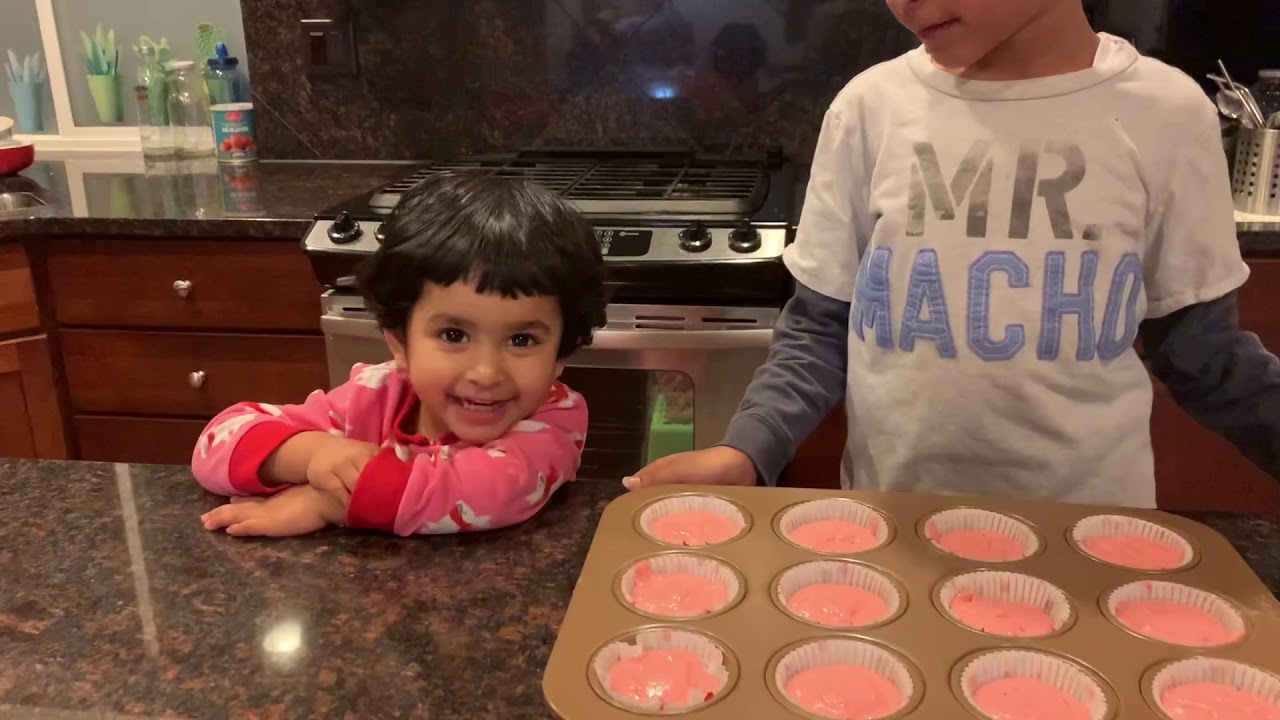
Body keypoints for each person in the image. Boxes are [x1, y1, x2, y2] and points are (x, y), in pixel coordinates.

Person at [627, 0, 1280, 507]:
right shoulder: (870, 109)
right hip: (895, 530)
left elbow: (1205, 356)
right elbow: (820, 331)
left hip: (1086, 543)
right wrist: (747, 450)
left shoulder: (1166, 114)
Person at [193, 174, 608, 536]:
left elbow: (484, 492)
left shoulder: (555, 421)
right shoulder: (376, 394)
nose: (486, 372)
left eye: (521, 340)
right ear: (399, 342)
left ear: (560, 352)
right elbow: (217, 442)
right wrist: (312, 454)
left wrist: (327, 504)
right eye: (454, 334)